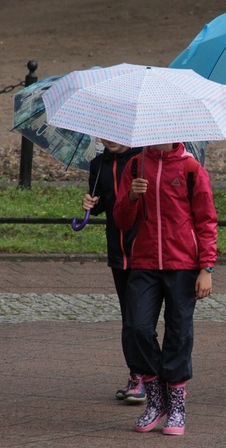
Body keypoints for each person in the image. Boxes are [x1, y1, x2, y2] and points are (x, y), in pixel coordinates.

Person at [113, 142, 217, 435]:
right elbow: (121, 220)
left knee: (179, 331)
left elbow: (206, 220)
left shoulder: (190, 168)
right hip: (144, 263)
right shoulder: (135, 165)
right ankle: (155, 397)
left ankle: (176, 402)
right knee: (136, 328)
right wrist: (132, 196)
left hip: (182, 264)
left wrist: (206, 268)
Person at [81, 139, 144, 403]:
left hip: (145, 250)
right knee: (129, 318)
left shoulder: (143, 162)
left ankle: (149, 375)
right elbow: (102, 205)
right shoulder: (99, 163)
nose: (111, 140)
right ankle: (137, 375)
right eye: (105, 134)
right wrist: (90, 204)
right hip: (118, 252)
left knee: (141, 319)